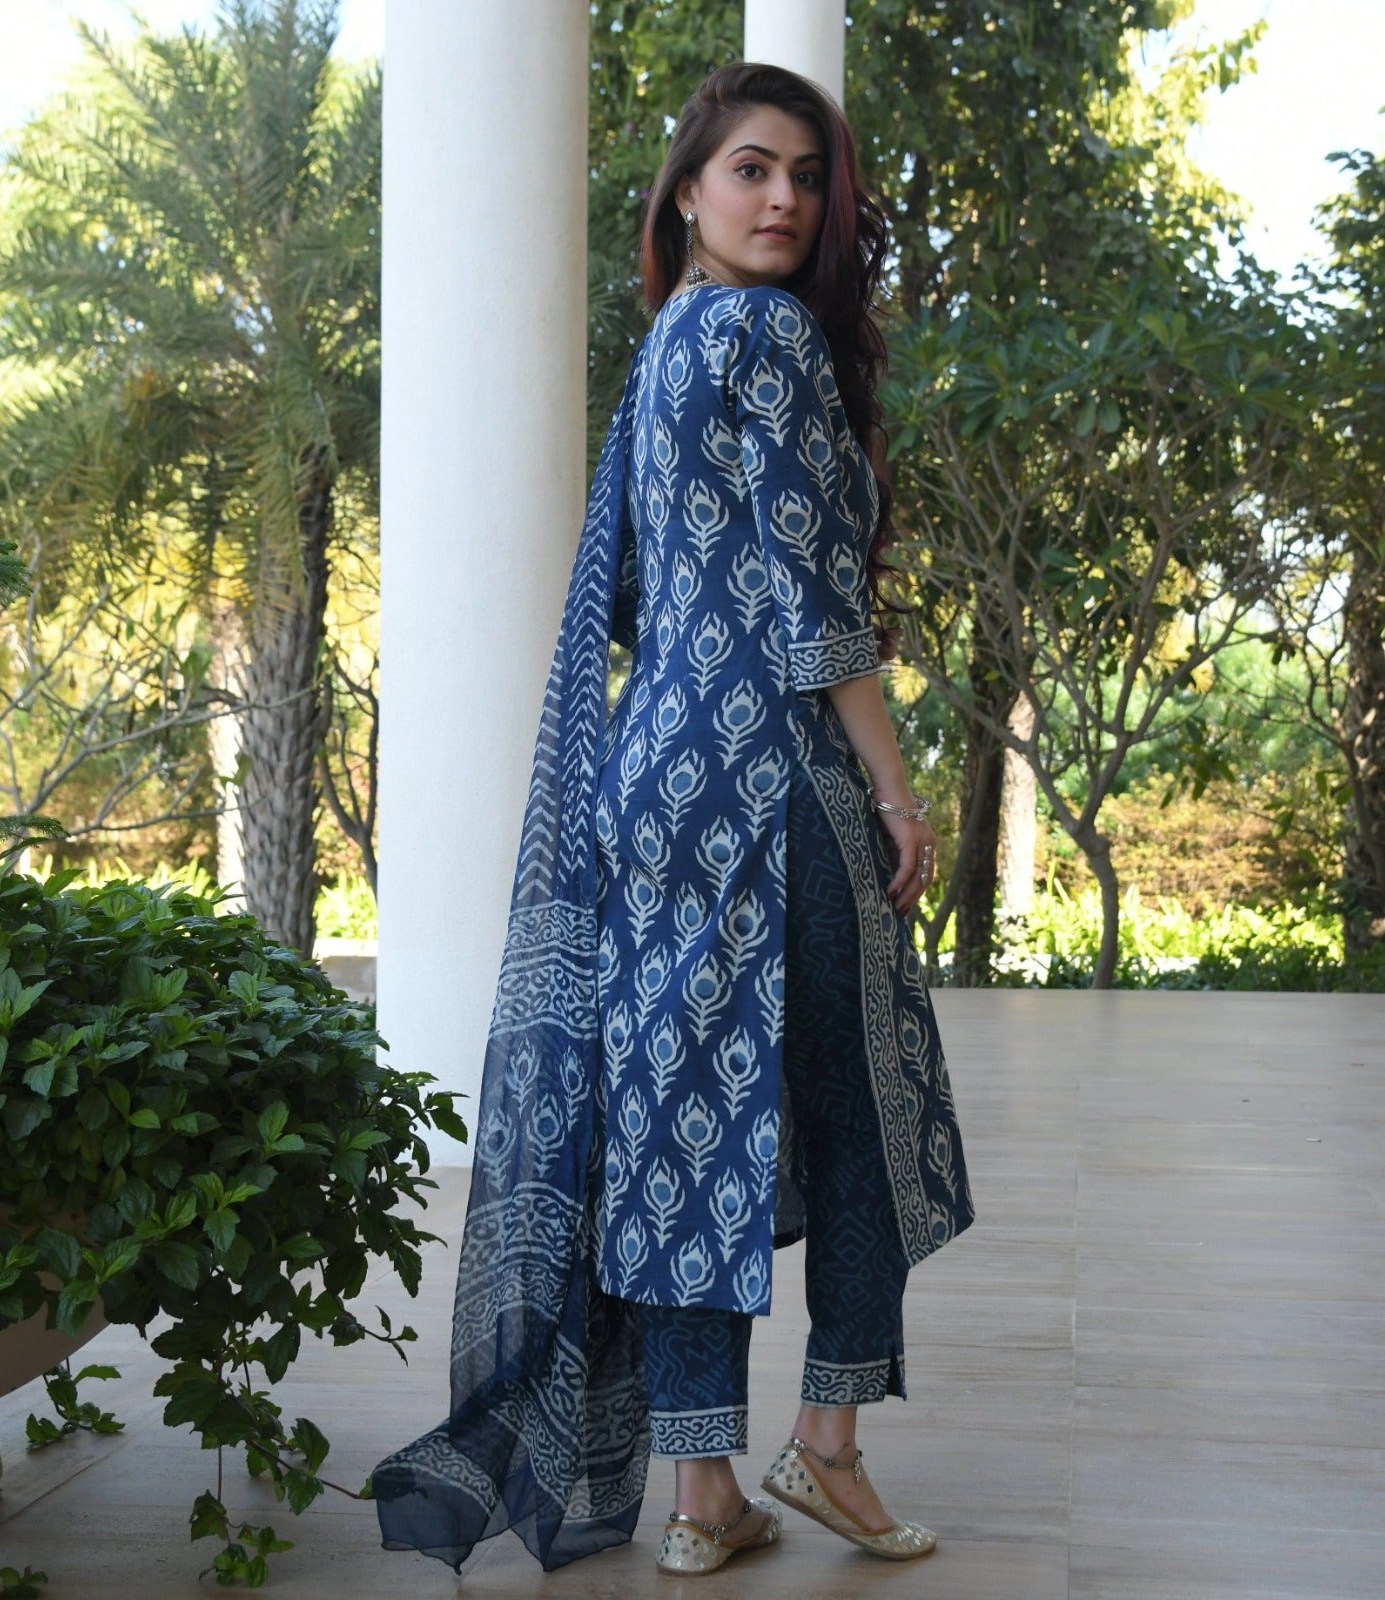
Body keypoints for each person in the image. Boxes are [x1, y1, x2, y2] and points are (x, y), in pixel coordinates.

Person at [373, 61, 973, 1581]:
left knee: (678, 1121)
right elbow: (815, 608)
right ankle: (827, 1446)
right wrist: (895, 787)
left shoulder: (664, 349)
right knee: (865, 1101)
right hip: (777, 774)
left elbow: (650, 592)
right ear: (688, 188)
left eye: (808, 177)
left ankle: (704, 1496)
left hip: (654, 778)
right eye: (752, 168)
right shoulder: (766, 335)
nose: (785, 199)